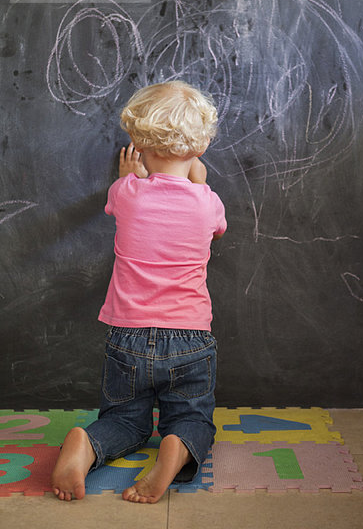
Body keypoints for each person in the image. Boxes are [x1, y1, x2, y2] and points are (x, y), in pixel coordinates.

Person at [51, 80, 227, 504]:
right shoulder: (207, 201)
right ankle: (178, 445)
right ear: (201, 145)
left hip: (127, 334)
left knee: (125, 420)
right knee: (191, 417)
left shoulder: (126, 193)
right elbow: (218, 230)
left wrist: (132, 177)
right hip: (189, 337)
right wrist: (198, 177)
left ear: (137, 141)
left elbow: (123, 199)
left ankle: (86, 445)